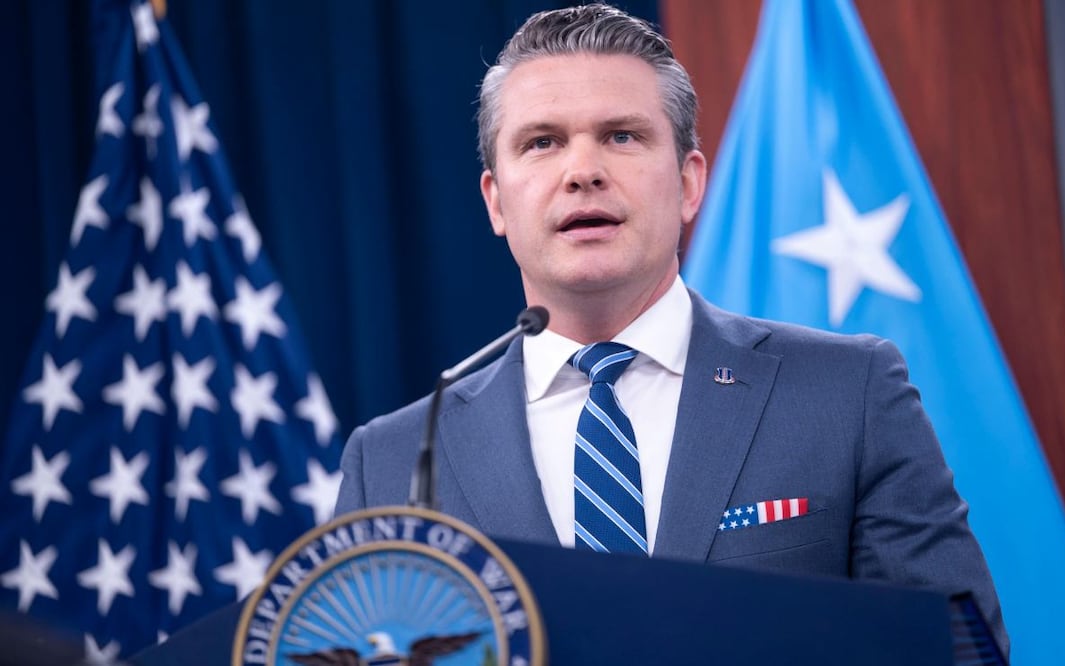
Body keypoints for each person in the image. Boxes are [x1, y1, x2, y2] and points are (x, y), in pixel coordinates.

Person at [335, 2, 1007, 655]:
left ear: (688, 184)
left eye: (622, 136)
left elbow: (951, 650)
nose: (582, 171)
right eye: (542, 143)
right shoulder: (392, 460)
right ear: (495, 201)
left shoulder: (847, 392)